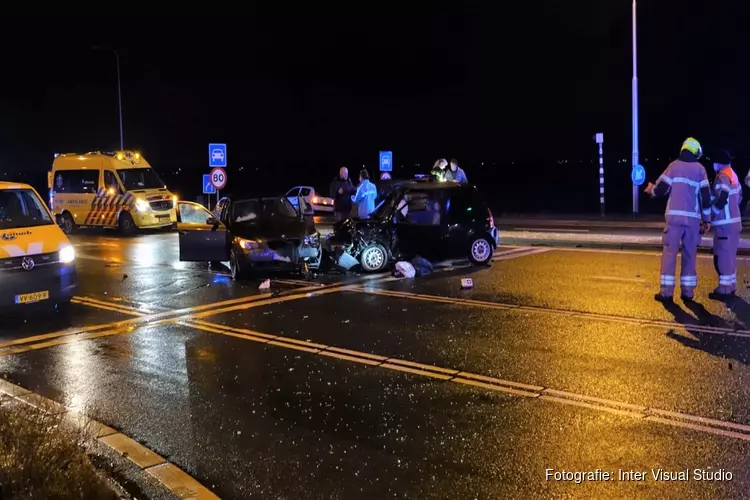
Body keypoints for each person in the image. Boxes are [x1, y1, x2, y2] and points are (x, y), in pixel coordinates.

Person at [645, 137, 712, 302]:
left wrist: (651, 190)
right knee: (690, 256)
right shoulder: (700, 170)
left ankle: (666, 293)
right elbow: (705, 197)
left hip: (674, 220)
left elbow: (661, 190)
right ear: (696, 152)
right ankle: (687, 293)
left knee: (669, 255)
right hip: (693, 222)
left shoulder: (673, 167)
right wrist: (707, 219)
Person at [709, 149, 742, 299]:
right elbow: (740, 197)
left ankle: (724, 289)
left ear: (719, 163)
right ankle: (730, 286)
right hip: (734, 223)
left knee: (722, 257)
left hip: (724, 225)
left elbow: (722, 198)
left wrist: (712, 214)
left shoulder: (722, 176)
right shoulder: (733, 174)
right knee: (730, 257)